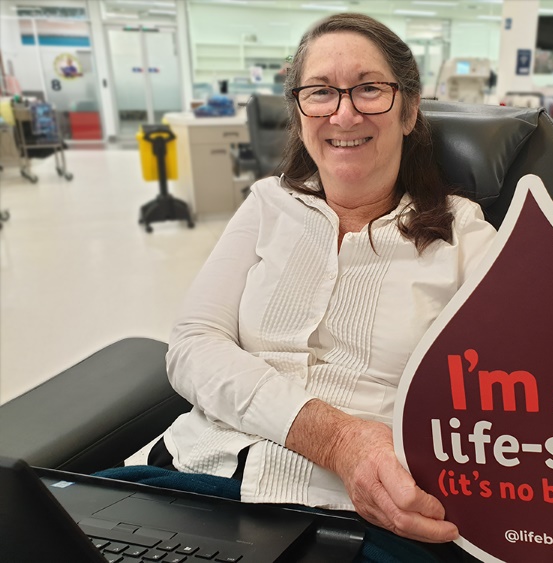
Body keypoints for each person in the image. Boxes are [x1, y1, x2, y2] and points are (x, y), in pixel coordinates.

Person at [152, 11, 496, 562]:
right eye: (320, 92)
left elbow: (526, 380)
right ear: (299, 111)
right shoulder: (268, 203)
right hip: (197, 475)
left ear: (409, 109)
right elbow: (193, 345)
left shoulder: (465, 234)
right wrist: (335, 437)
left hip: (359, 519)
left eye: (368, 89)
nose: (343, 112)